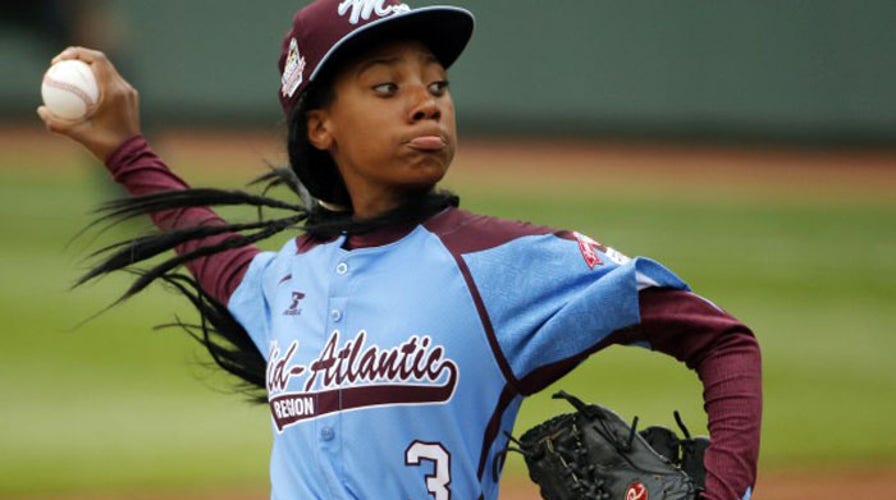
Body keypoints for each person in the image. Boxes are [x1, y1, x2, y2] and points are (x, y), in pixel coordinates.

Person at [37, 1, 762, 499]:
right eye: (387, 86)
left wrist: (725, 489)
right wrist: (124, 149)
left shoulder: (500, 266)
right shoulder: (288, 281)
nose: (427, 101)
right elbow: (215, 255)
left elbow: (722, 339)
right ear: (320, 128)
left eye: (438, 83)